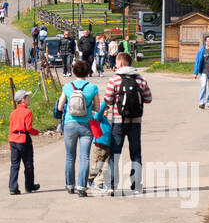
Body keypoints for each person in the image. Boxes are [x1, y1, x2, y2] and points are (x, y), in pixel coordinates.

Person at [103, 51, 152, 194]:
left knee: (115, 152)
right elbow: (148, 98)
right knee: (136, 152)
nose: (115, 65)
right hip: (136, 121)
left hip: (118, 120)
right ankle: (136, 185)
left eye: (117, 62)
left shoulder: (114, 79)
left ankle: (112, 185)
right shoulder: (140, 79)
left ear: (121, 63)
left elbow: (108, 99)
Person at [57, 58, 101, 196]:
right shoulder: (92, 87)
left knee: (70, 156)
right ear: (87, 72)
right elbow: (97, 107)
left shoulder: (67, 87)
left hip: (70, 124)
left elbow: (59, 107)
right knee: (85, 157)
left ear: (74, 71)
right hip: (86, 125)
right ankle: (81, 187)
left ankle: (69, 185)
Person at [8, 90, 40, 194]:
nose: (29, 99)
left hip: (13, 139)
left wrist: (10, 143)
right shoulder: (28, 112)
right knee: (28, 163)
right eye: (27, 97)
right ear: (23, 100)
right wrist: (36, 132)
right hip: (23, 139)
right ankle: (29, 186)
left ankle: (13, 187)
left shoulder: (12, 113)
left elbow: (11, 128)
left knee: (14, 164)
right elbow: (28, 128)